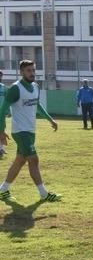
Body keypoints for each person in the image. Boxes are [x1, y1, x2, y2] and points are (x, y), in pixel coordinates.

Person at [0, 60, 61, 202]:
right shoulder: (15, 88)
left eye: (33, 70)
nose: (32, 73)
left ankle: (3, 189)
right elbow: (2, 110)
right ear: (21, 72)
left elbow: (37, 105)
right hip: (20, 131)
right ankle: (44, 193)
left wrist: (50, 119)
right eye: (28, 70)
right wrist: (1, 131)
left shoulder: (35, 87)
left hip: (30, 130)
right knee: (33, 159)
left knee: (20, 161)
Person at [0, 70, 6, 159]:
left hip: (2, 113)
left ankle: (1, 148)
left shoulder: (3, 87)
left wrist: (7, 110)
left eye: (1, 76)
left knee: (2, 130)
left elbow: (5, 100)